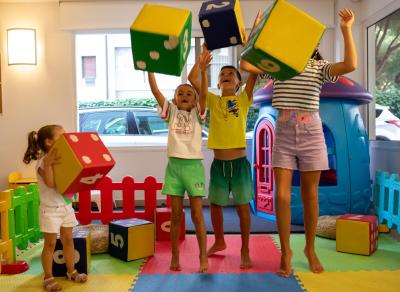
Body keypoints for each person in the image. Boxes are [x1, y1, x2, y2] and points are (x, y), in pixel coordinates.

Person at [240, 9, 357, 276]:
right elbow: (246, 66)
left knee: (310, 195)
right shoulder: (278, 65)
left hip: (312, 132)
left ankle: (309, 248)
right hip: (283, 130)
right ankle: (286, 251)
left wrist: (347, 28)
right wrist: (256, 34)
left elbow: (350, 65)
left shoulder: (319, 68)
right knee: (281, 196)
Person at [188, 44, 258, 269]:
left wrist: (251, 41)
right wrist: (202, 61)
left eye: (231, 74)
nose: (226, 76)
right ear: (217, 83)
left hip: (239, 165)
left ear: (239, 83)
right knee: (216, 206)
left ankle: (245, 248)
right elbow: (192, 78)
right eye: (222, 75)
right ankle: (219, 241)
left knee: (242, 207)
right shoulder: (211, 99)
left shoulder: (244, 99)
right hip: (219, 165)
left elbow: (254, 71)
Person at [147, 51, 211, 272]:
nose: (184, 95)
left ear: (194, 101)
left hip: (193, 168)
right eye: (180, 93)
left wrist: (202, 70)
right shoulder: (171, 112)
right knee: (175, 215)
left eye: (188, 94)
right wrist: (150, 69)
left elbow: (204, 94)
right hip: (174, 168)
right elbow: (155, 91)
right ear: (174, 99)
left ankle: (203, 256)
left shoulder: (198, 114)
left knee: (196, 214)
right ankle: (175, 256)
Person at [23, 125, 87, 291]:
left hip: (66, 207)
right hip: (50, 210)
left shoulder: (64, 160)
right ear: (49, 142)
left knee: (68, 240)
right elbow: (51, 184)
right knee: (50, 243)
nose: (66, 139)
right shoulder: (42, 162)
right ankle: (48, 277)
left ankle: (71, 271)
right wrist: (49, 164)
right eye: (61, 137)